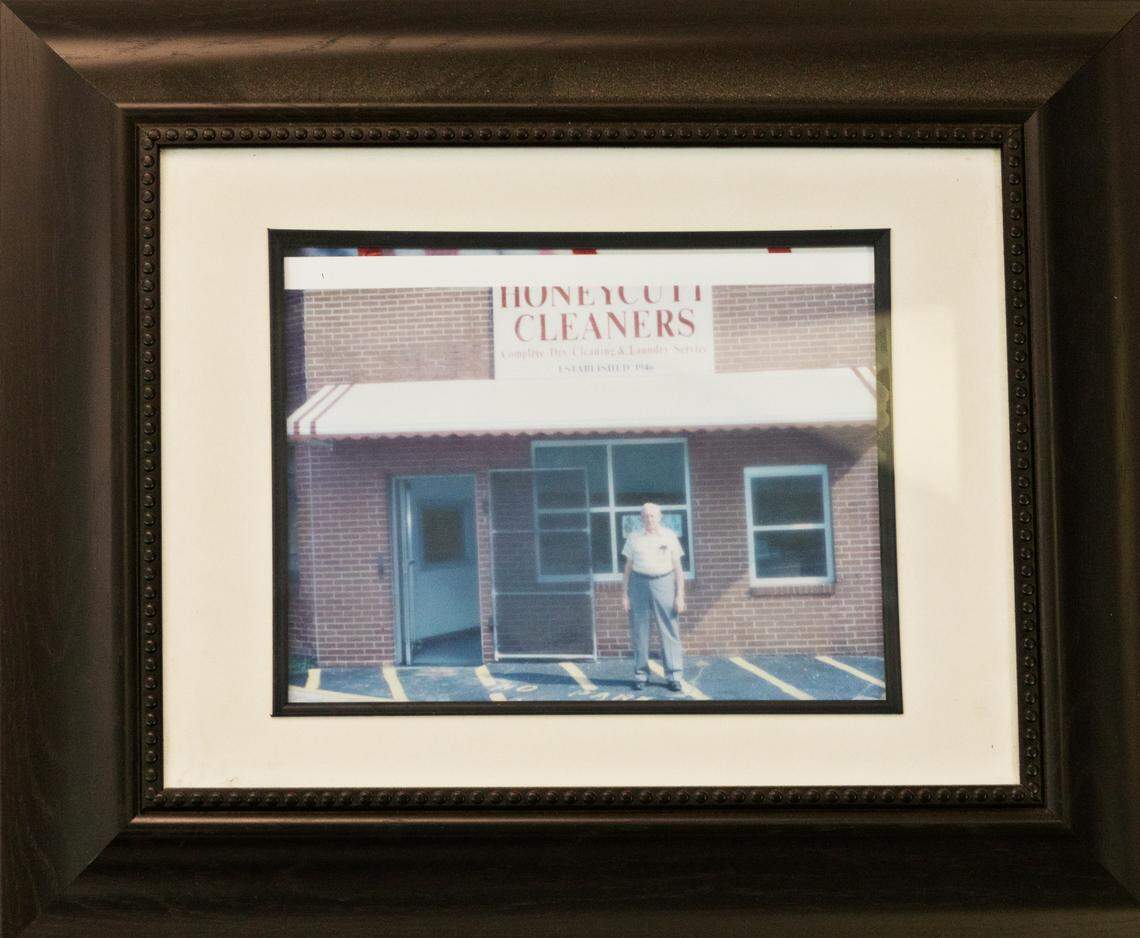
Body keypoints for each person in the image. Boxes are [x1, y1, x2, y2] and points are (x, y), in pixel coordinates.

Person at [621, 502, 686, 692]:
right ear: (641, 518)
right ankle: (641, 674)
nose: (649, 519)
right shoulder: (634, 538)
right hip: (638, 583)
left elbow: (678, 569)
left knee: (669, 628)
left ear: (659, 517)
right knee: (639, 630)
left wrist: (680, 596)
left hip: (664, 582)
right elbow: (627, 569)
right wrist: (624, 594)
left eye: (652, 516)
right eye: (645, 516)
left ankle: (674, 675)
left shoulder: (669, 536)